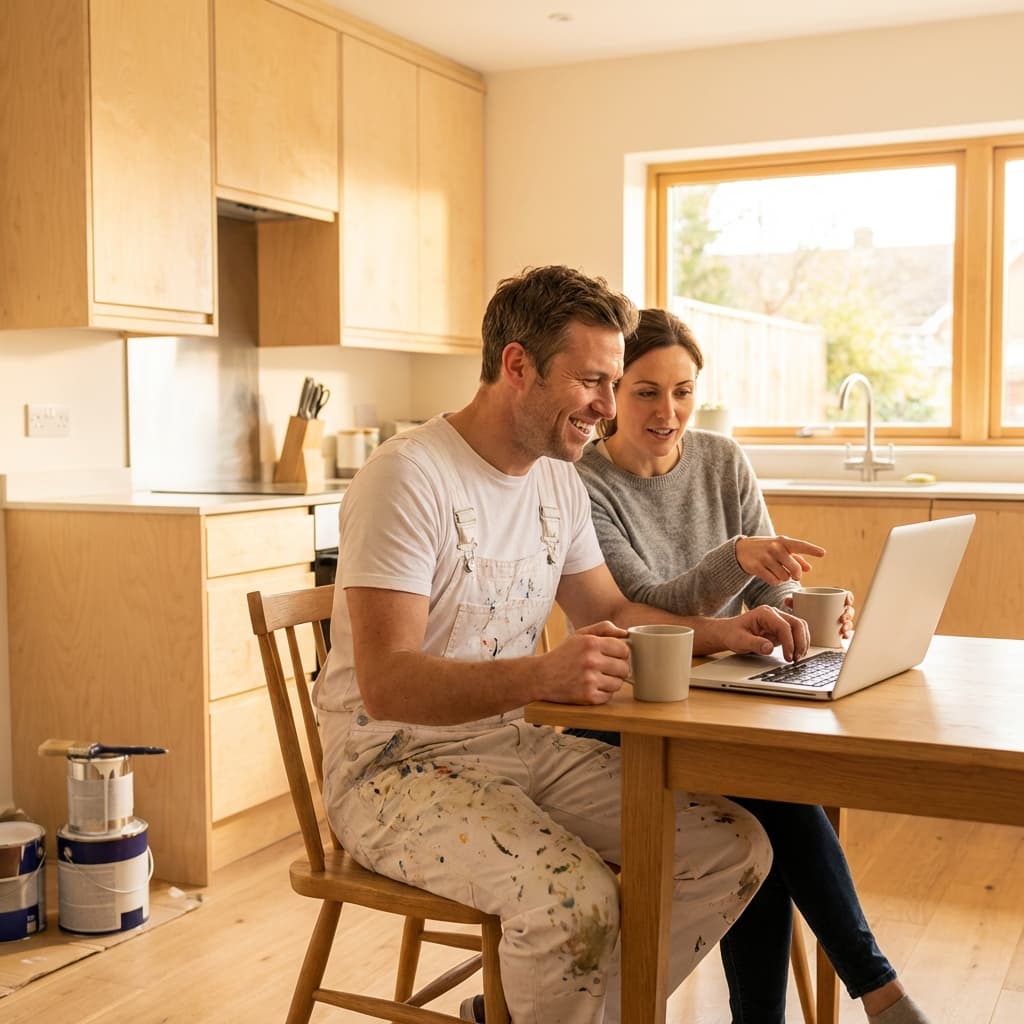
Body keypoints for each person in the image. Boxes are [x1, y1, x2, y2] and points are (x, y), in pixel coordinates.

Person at [312, 266, 813, 1024]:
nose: (608, 409)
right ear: (518, 366)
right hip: (391, 770)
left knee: (734, 848)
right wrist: (540, 674)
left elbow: (610, 608)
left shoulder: (557, 481)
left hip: (511, 746)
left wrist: (726, 632)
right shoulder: (408, 477)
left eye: (614, 384)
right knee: (575, 902)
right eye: (592, 382)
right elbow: (386, 684)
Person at [571, 306, 930, 1024]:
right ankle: (877, 988)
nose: (667, 412)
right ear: (613, 394)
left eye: (682, 391)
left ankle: (839, 1001)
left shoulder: (721, 459)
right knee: (762, 790)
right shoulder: (584, 483)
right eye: (646, 391)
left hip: (717, 702)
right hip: (627, 711)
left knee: (760, 787)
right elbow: (642, 607)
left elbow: (771, 583)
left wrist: (799, 610)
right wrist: (731, 557)